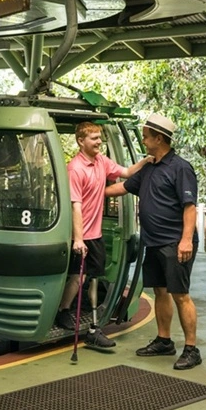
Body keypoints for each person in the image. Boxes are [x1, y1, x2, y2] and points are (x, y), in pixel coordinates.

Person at [104, 113, 202, 370]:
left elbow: (189, 207)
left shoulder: (180, 168)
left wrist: (185, 241)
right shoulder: (149, 167)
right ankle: (164, 340)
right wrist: (89, 191)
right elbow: (123, 188)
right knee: (159, 291)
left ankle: (191, 348)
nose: (144, 141)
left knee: (180, 295)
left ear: (159, 138)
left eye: (146, 137)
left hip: (175, 243)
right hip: (154, 242)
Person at [55, 121, 152, 349]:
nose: (99, 142)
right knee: (77, 278)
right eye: (94, 138)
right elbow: (75, 206)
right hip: (80, 235)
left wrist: (146, 161)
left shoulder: (101, 161)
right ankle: (63, 310)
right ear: (81, 141)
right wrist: (78, 239)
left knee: (94, 278)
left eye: (100, 137)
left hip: (96, 233)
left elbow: (126, 172)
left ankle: (94, 324)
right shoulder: (75, 169)